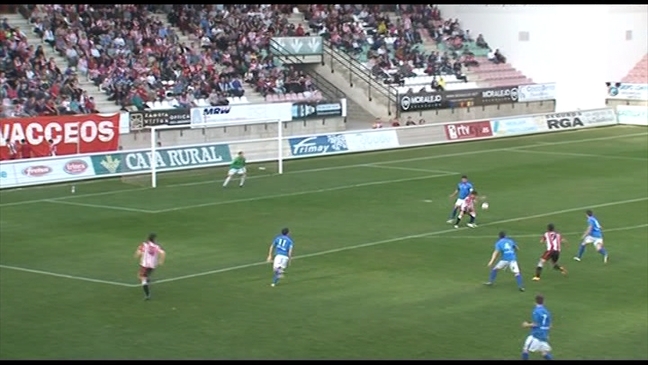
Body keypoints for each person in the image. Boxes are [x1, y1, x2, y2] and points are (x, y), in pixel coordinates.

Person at [521, 294, 554, 360]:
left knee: (525, 350)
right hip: (544, 335)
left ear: (535, 302)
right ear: (544, 302)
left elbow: (536, 324)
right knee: (544, 352)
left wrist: (526, 325)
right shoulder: (547, 312)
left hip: (536, 335)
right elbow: (550, 325)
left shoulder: (536, 311)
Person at [134, 233, 166, 300]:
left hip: (145, 265)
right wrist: (161, 261)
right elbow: (163, 253)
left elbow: (139, 252)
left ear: (148, 239)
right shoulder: (156, 246)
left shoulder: (144, 245)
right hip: (152, 266)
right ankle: (148, 280)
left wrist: (137, 255)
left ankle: (147, 295)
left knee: (142, 278)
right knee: (141, 276)